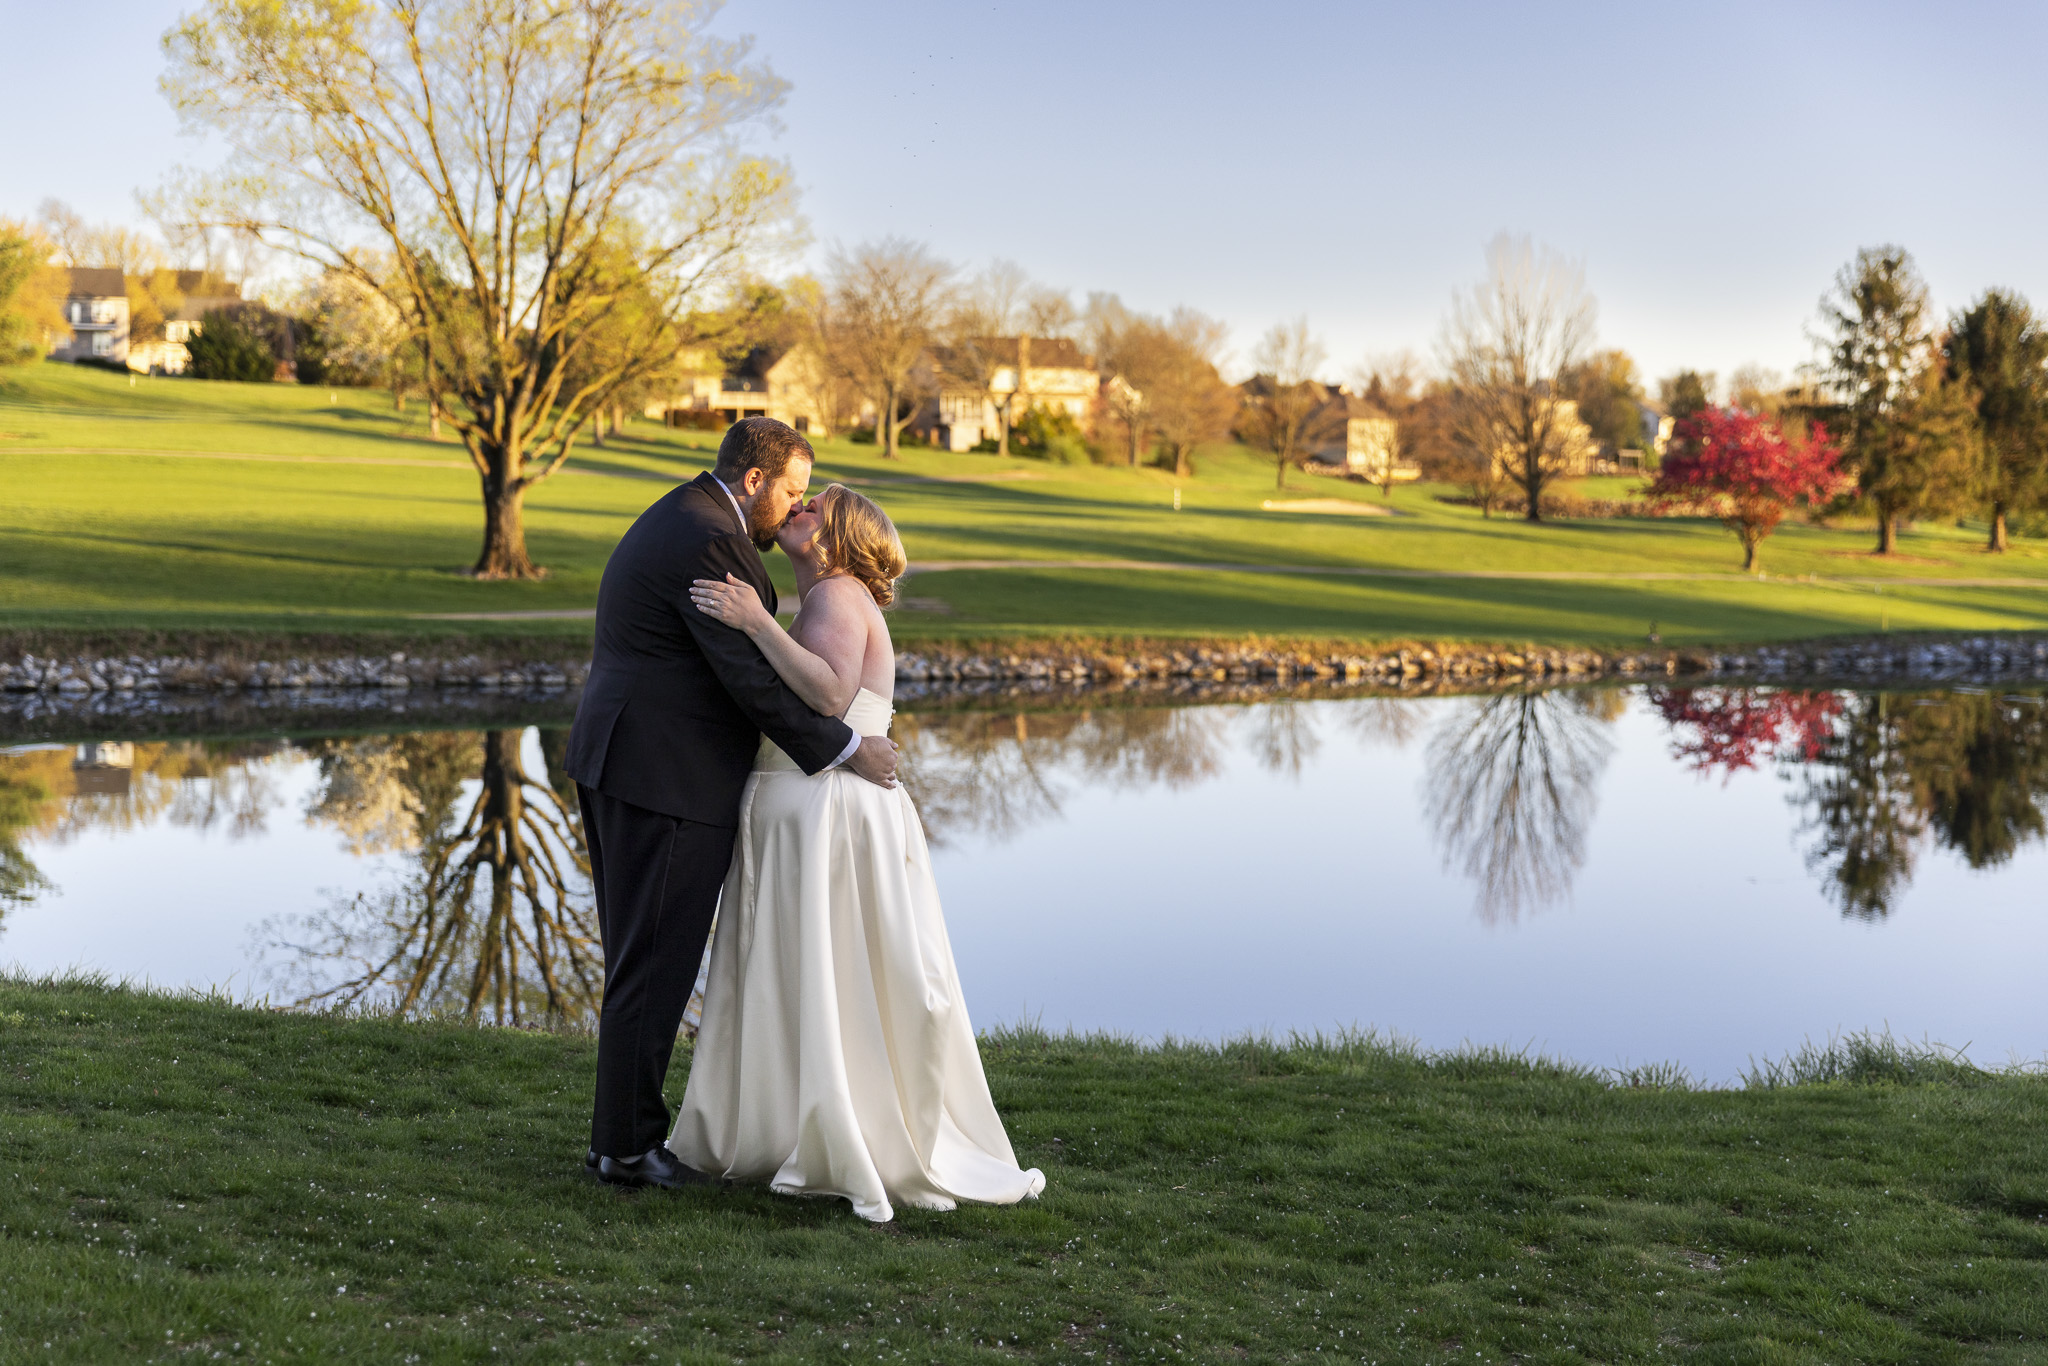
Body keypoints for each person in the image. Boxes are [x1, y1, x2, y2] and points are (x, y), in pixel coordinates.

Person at [671, 482, 1044, 1222]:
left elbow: (830, 696)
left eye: (814, 507)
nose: (796, 510)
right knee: (822, 971)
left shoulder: (836, 594)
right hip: (814, 803)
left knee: (827, 969)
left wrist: (755, 623)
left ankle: (834, 1132)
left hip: (827, 811)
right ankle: (796, 1126)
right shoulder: (826, 597)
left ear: (838, 534)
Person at [564, 417, 900, 1189]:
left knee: (639, 959)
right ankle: (625, 1149)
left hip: (631, 763)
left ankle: (617, 1139)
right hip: (666, 777)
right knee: (654, 961)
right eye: (790, 490)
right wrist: (847, 748)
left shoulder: (686, 517)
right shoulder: (712, 541)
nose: (794, 505)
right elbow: (748, 681)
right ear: (755, 480)